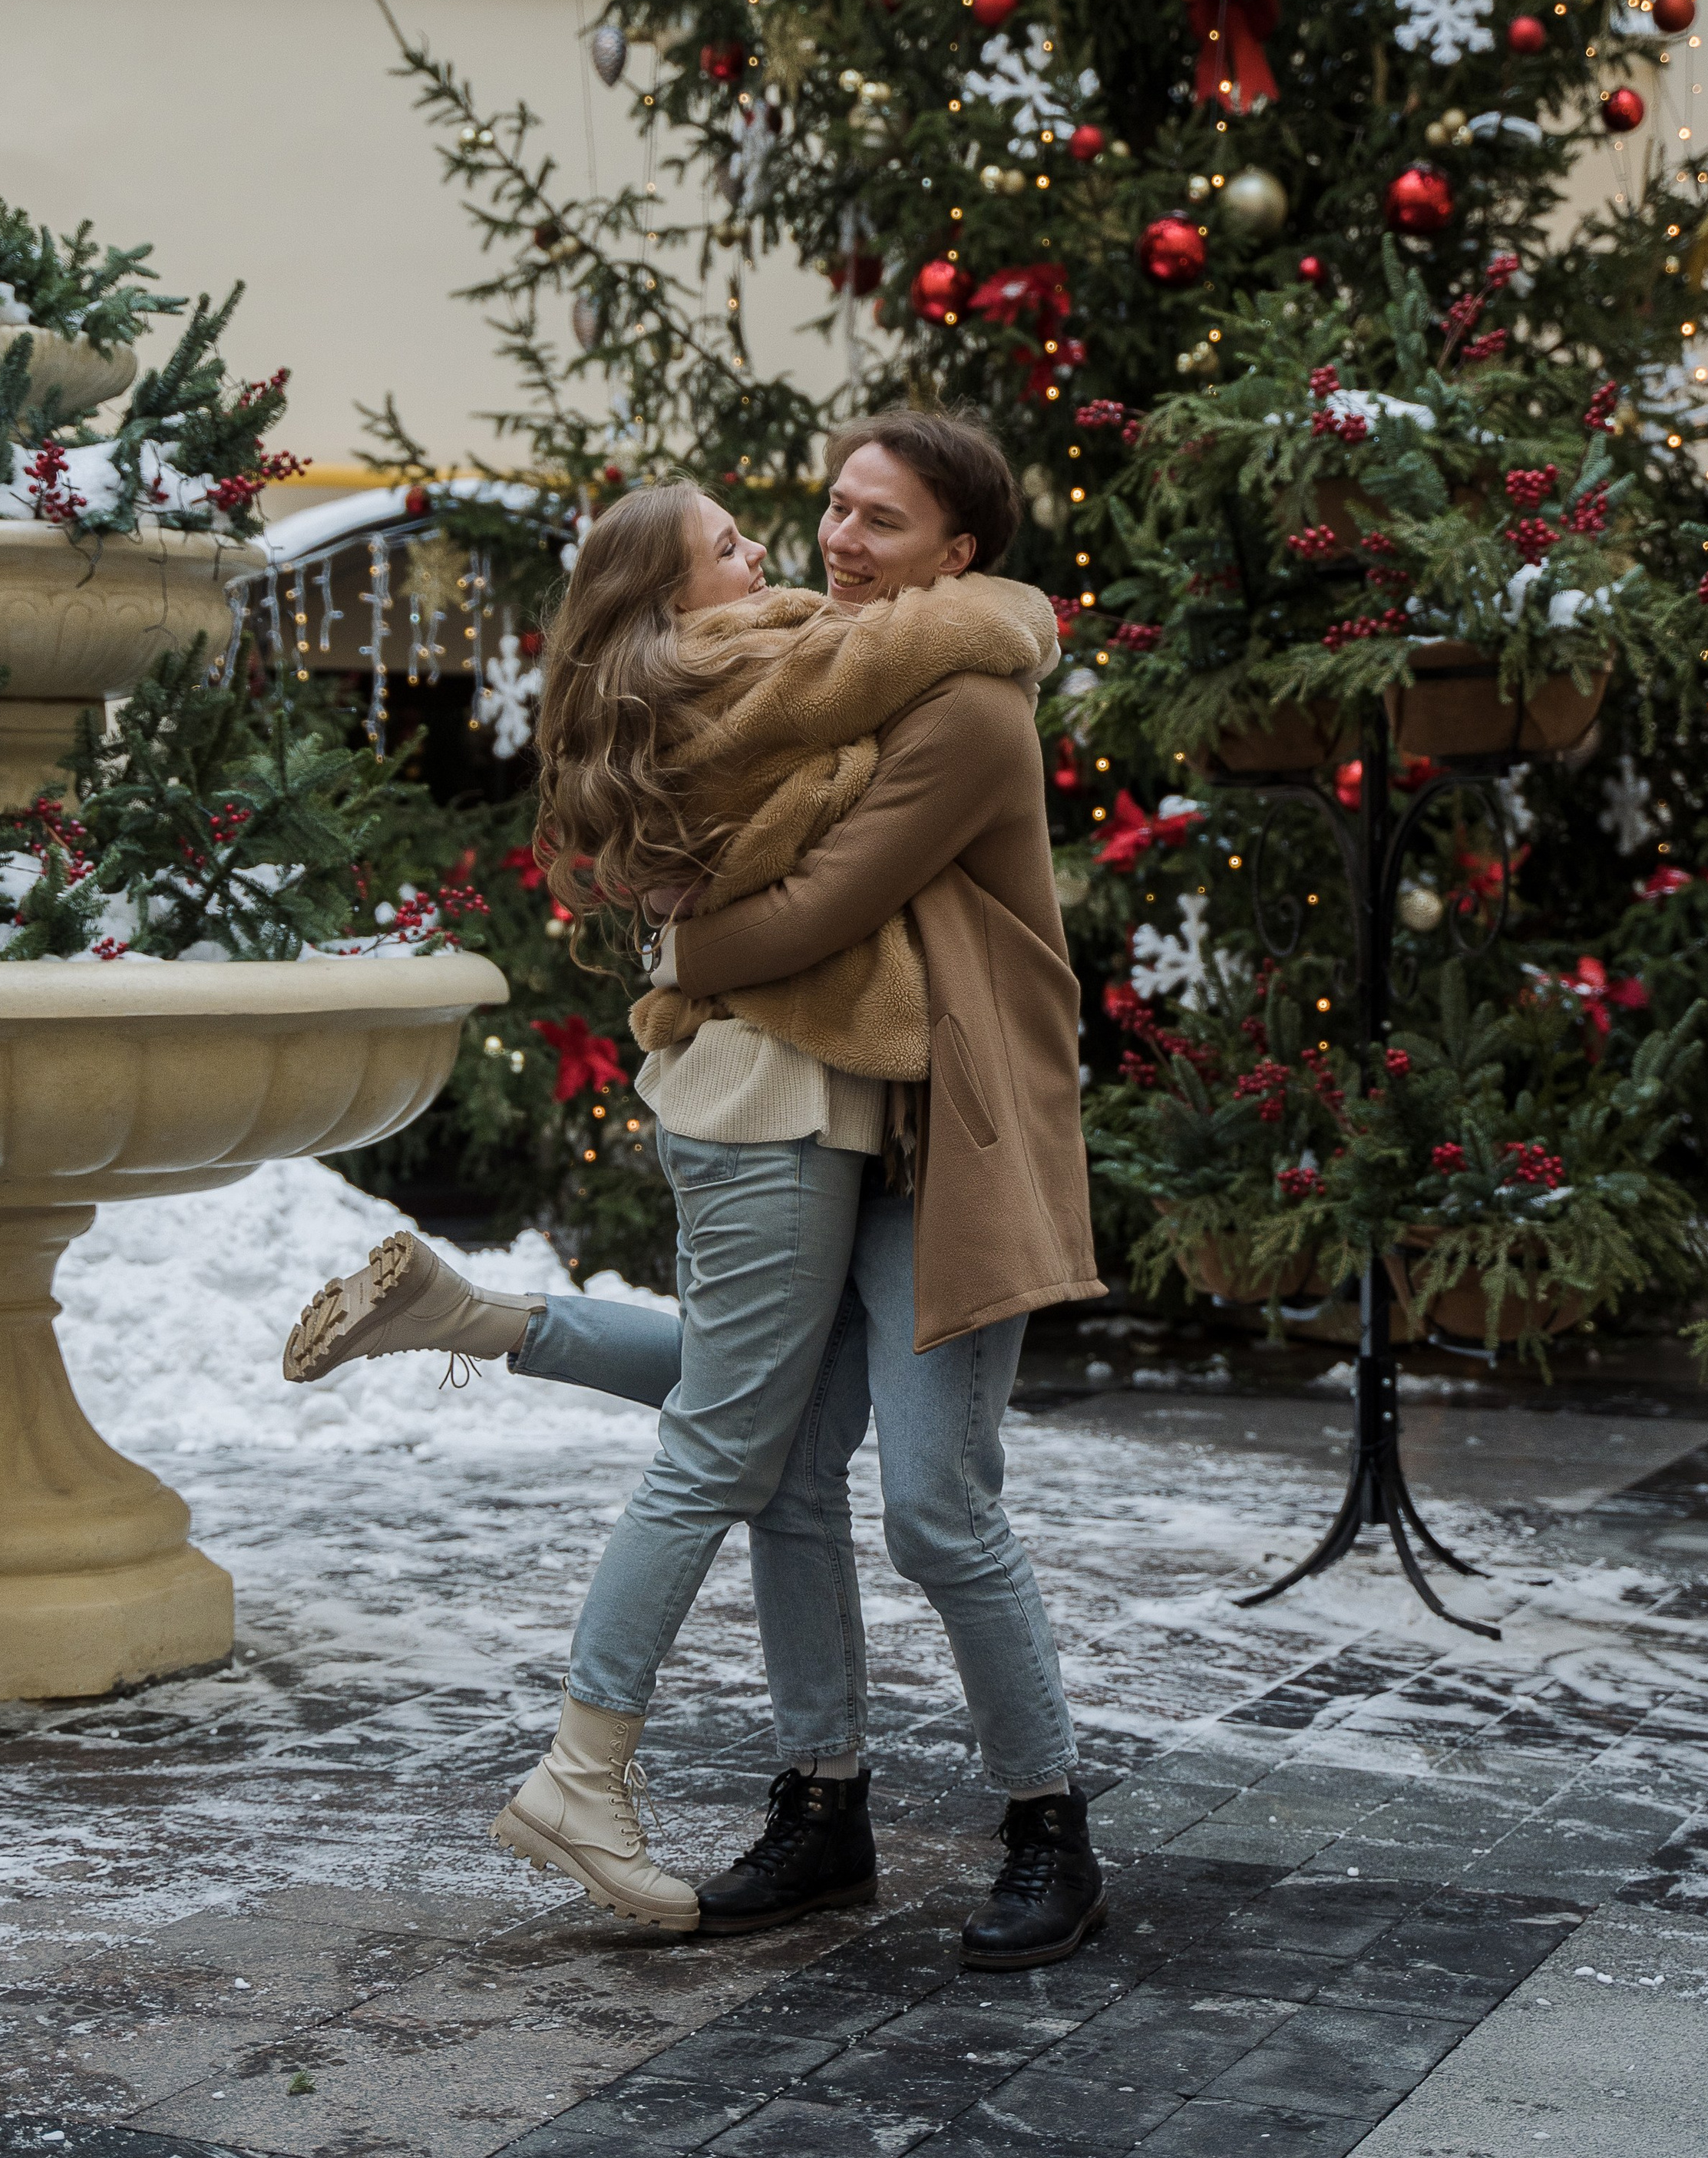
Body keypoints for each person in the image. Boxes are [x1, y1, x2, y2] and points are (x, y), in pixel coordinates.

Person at [285, 415, 1108, 1969]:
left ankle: (1047, 1821)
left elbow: (809, 907)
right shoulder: (826, 676)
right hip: (826, 1123)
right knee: (785, 1466)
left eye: (881, 524)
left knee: (934, 1507)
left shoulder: (966, 710)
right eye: (833, 510)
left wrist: (676, 941)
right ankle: (822, 1806)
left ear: (958, 557)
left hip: (953, 1149)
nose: (839, 544)